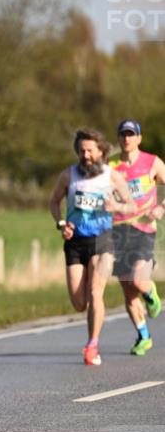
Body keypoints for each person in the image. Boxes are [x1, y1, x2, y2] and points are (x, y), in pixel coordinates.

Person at [48, 128, 136, 366]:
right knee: (79, 303)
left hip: (103, 240)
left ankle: (92, 345)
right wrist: (61, 223)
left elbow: (130, 205)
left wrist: (116, 207)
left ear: (101, 151)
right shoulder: (69, 176)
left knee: (96, 292)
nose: (85, 155)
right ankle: (91, 326)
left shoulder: (112, 176)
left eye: (90, 151)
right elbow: (54, 201)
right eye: (82, 150)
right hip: (75, 242)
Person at [109, 119, 165, 356]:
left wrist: (161, 207)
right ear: (119, 138)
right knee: (128, 290)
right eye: (123, 134)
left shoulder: (152, 162)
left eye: (131, 134)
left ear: (139, 138)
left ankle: (151, 293)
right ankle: (143, 336)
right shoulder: (111, 166)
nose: (127, 138)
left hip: (144, 228)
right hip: (118, 231)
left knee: (139, 281)